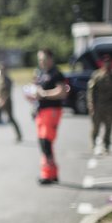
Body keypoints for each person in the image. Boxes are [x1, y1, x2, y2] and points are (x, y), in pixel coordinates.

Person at [32, 49, 67, 185]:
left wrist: (44, 94)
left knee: (46, 142)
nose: (42, 62)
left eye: (44, 59)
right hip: (41, 111)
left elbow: (62, 92)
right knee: (43, 143)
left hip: (51, 111)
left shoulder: (55, 73)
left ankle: (48, 174)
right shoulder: (42, 73)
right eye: (40, 59)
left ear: (51, 59)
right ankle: (51, 173)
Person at [87, 55, 112, 154]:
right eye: (105, 62)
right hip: (98, 105)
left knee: (109, 128)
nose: (107, 64)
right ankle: (94, 143)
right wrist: (91, 104)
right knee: (96, 127)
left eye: (109, 62)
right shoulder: (97, 75)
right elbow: (91, 91)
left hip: (110, 107)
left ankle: (106, 145)